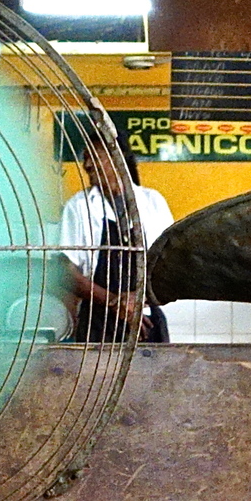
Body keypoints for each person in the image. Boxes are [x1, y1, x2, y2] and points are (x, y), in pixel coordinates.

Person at [59, 126, 174, 343]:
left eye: (94, 157)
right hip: (97, 324)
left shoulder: (152, 202)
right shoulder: (79, 207)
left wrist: (138, 301)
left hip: (146, 322)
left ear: (117, 158)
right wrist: (114, 301)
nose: (87, 165)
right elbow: (66, 273)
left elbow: (171, 265)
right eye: (85, 158)